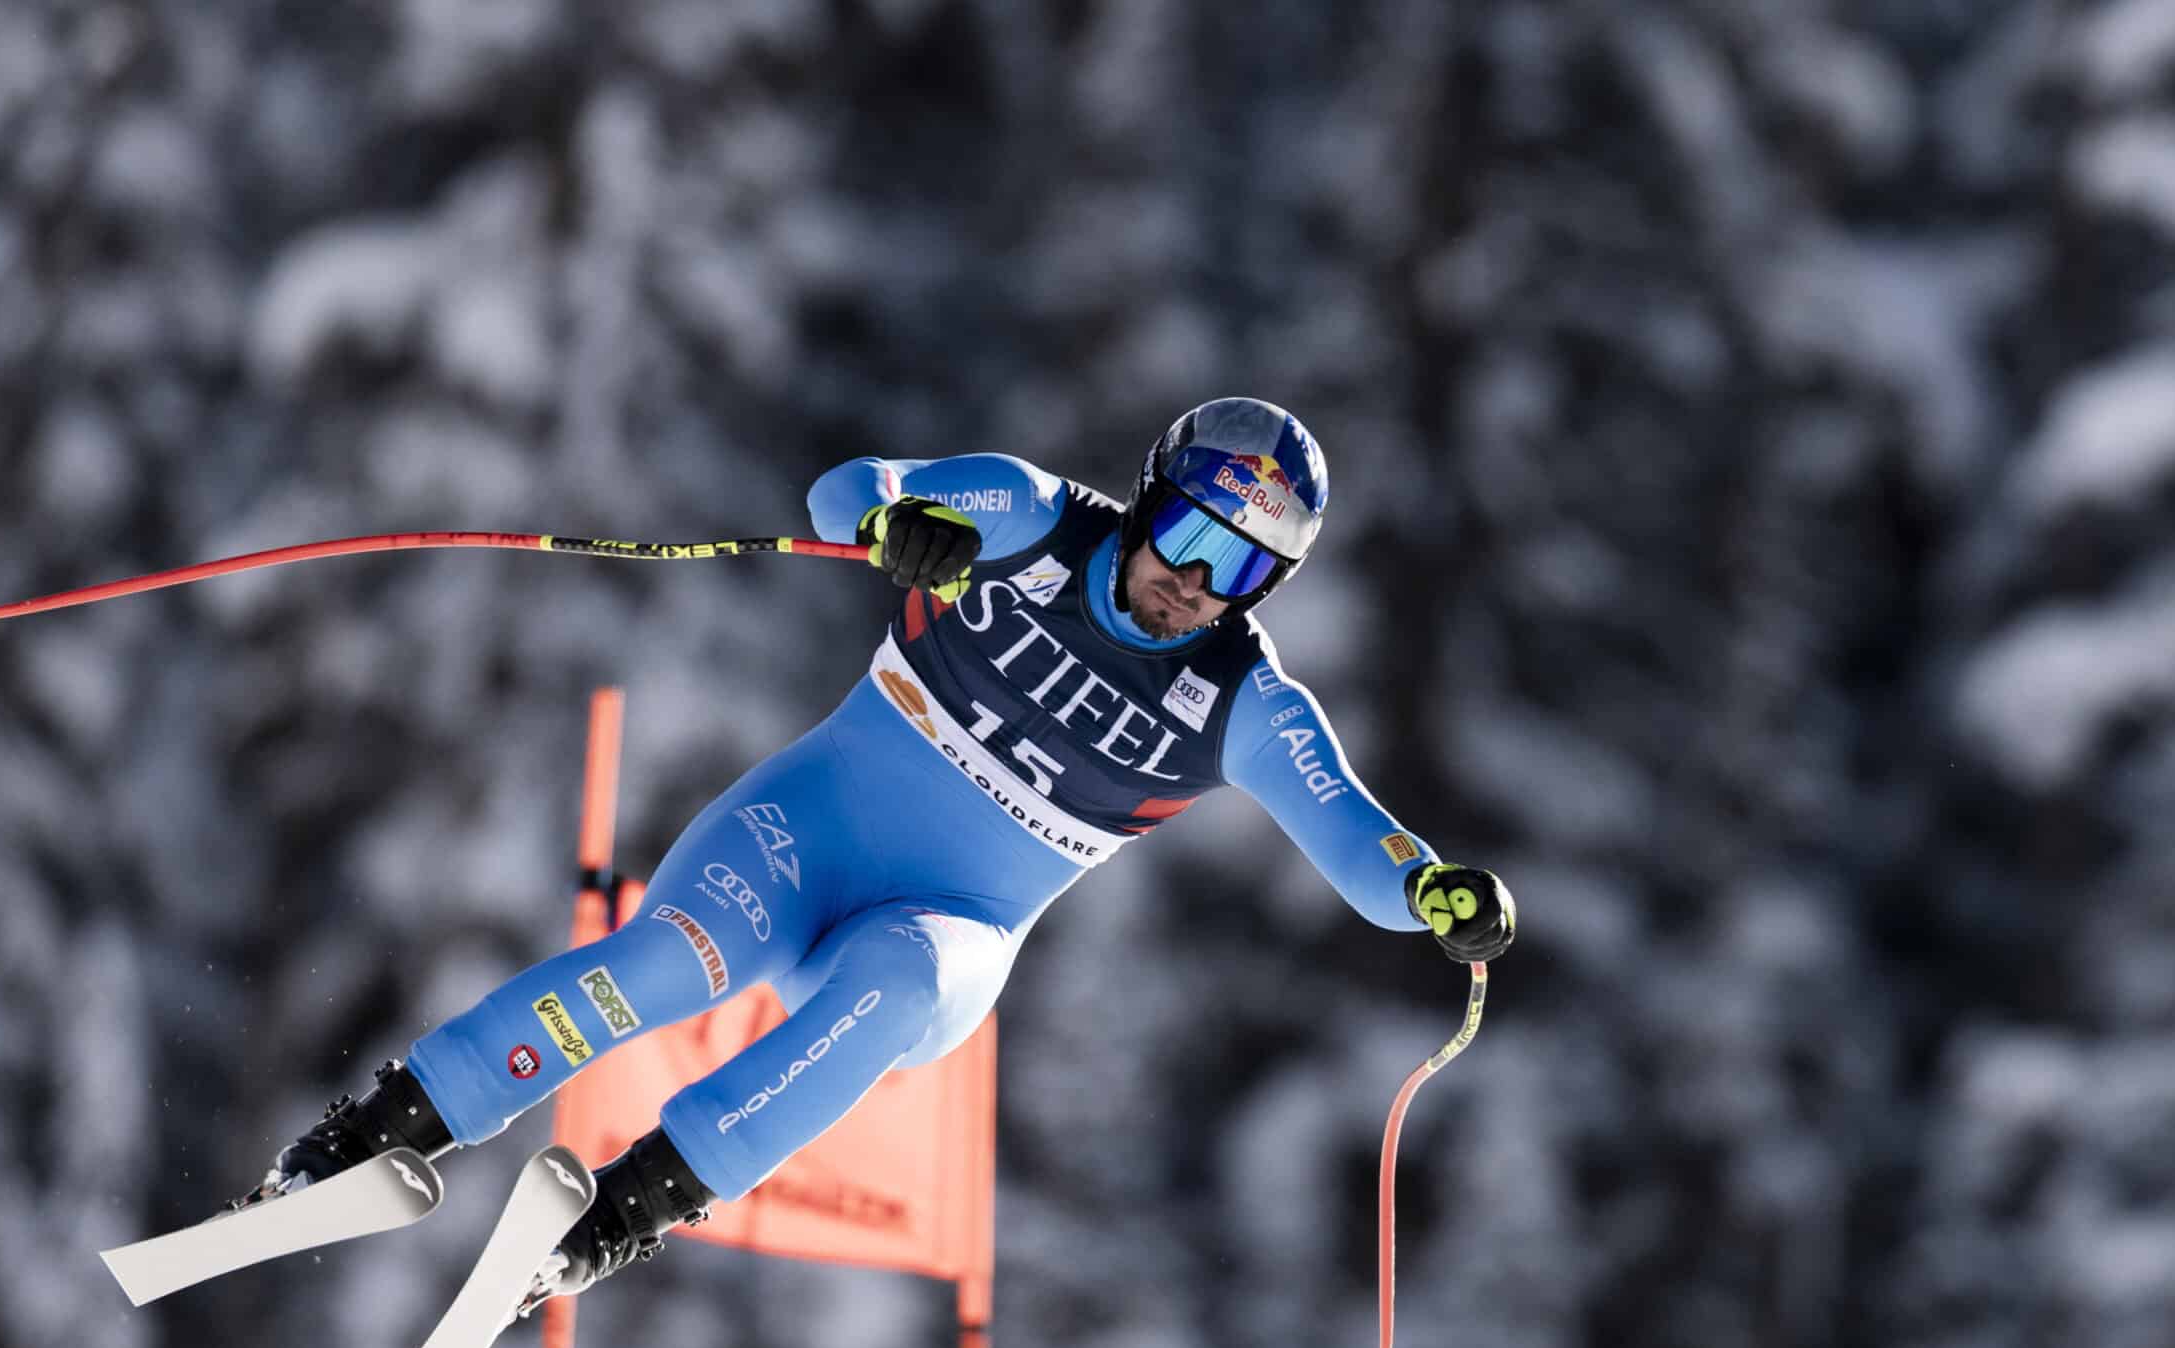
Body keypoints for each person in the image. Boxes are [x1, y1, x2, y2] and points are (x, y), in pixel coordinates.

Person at [245, 398, 1517, 1299]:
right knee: (663, 965)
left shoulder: (1245, 701)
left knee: (897, 986)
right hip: (811, 833)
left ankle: (620, 1215)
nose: (1196, 583)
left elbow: (1359, 844)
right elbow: (850, 489)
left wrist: (1435, 892)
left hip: (949, 927)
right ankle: (372, 1136)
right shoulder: (1030, 515)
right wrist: (899, 524)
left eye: (1242, 571)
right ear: (1147, 501)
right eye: (1189, 538)